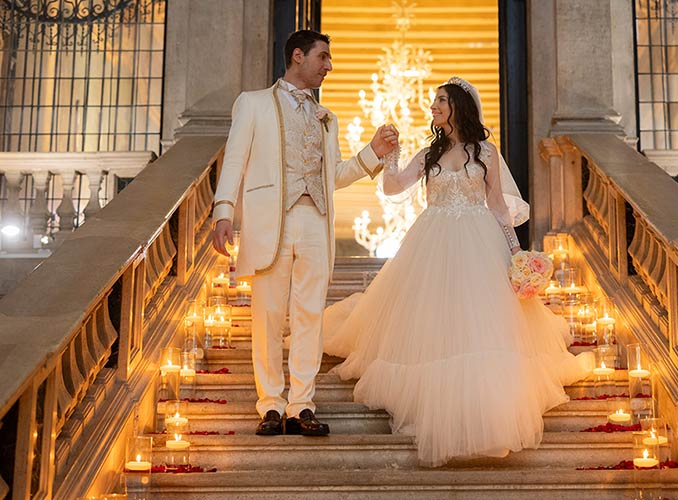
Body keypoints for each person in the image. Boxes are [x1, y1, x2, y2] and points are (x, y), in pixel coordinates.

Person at [322, 77, 593, 465]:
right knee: (435, 317)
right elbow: (393, 188)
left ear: (458, 108)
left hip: (479, 241)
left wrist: (517, 253)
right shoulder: (428, 154)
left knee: (482, 318)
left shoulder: (486, 152)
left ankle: (485, 407)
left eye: (441, 101)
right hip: (432, 242)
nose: (433, 107)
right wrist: (391, 157)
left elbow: (498, 205)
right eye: (434, 102)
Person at [211, 29, 398, 437]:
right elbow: (235, 160)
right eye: (323, 57)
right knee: (268, 315)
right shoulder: (254, 103)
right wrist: (223, 210)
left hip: (315, 220)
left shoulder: (327, 118)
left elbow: (334, 175)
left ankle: (302, 404)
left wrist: (372, 154)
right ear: (298, 56)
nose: (329, 66)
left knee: (310, 314)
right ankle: (271, 404)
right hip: (270, 221)